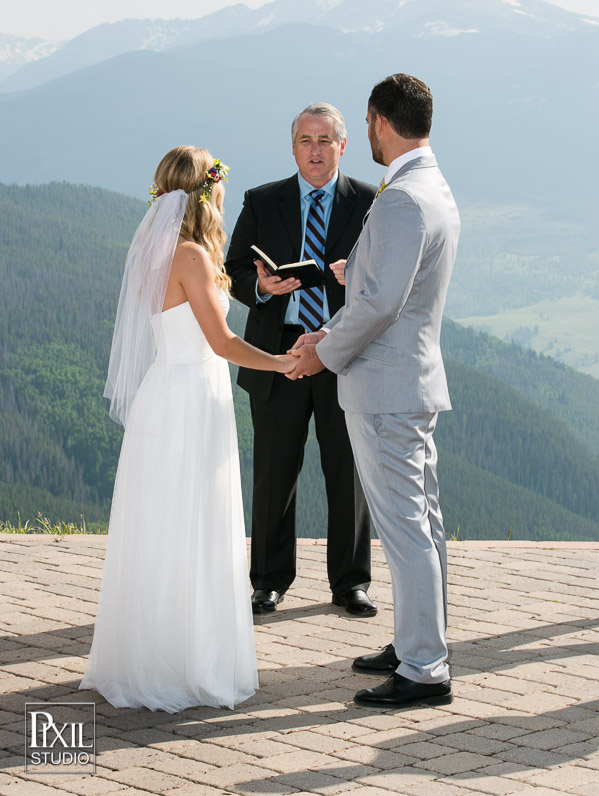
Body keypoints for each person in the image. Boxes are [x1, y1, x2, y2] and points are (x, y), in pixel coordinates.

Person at [80, 146, 297, 713]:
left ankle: (152, 652)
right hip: (191, 399)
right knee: (194, 523)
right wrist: (283, 362)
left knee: (164, 525)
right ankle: (190, 662)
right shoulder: (193, 256)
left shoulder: (153, 254)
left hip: (165, 393)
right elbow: (222, 344)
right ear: (208, 193)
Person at [288, 75, 461, 709]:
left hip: (386, 386)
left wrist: (320, 352)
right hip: (412, 378)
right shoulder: (431, 187)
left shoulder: (400, 199)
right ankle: (420, 638)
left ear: (377, 121)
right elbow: (390, 282)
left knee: (404, 527)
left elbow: (381, 304)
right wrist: (353, 267)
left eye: (365, 125)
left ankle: (423, 668)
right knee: (426, 521)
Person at [226, 104, 377, 616]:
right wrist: (262, 288)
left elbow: (382, 278)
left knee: (348, 472)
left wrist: (347, 279)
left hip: (343, 354)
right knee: (274, 473)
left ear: (342, 145)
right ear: (293, 147)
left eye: (325, 140)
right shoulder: (262, 201)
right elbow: (233, 271)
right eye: (306, 140)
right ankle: (268, 580)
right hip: (278, 356)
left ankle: (351, 583)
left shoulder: (370, 202)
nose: (315, 150)